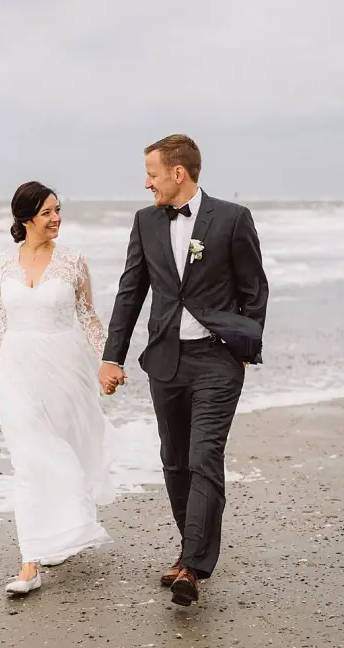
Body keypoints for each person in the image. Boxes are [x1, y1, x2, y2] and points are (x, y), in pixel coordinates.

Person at [98, 134, 269, 607]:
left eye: (151, 173)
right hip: (166, 361)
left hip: (217, 360)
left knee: (204, 458)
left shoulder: (232, 219)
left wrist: (243, 347)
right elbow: (130, 291)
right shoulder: (145, 222)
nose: (146, 182)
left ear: (178, 172)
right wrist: (112, 355)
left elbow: (255, 289)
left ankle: (192, 566)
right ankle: (189, 550)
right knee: (174, 461)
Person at [0, 181, 118, 595]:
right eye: (47, 212)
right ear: (25, 218)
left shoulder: (73, 261)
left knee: (67, 451)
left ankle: (61, 531)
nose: (56, 218)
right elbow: (1, 323)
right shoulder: (5, 262)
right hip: (17, 371)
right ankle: (30, 563)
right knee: (27, 461)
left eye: (58, 210)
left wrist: (108, 361)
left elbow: (89, 318)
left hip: (64, 370)